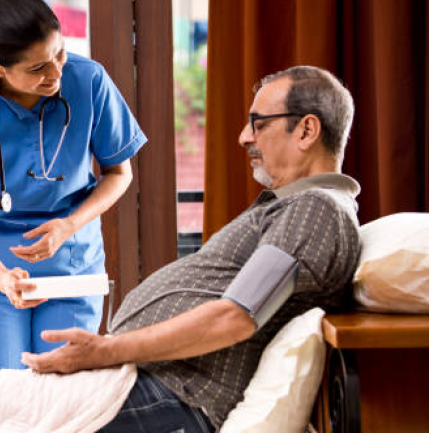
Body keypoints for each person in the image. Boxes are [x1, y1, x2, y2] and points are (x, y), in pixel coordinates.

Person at [22, 65, 361, 432]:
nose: (244, 137)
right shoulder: (297, 208)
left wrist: (103, 351)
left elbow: (235, 316)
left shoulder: (317, 210)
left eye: (258, 123)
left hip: (180, 396)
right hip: (157, 385)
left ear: (307, 130)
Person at [0, 0, 147, 369]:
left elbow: (118, 173)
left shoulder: (90, 81)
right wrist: (2, 278)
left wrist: (68, 225)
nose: (56, 74)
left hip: (71, 261)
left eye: (59, 54)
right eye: (37, 69)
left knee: (64, 393)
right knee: (4, 394)